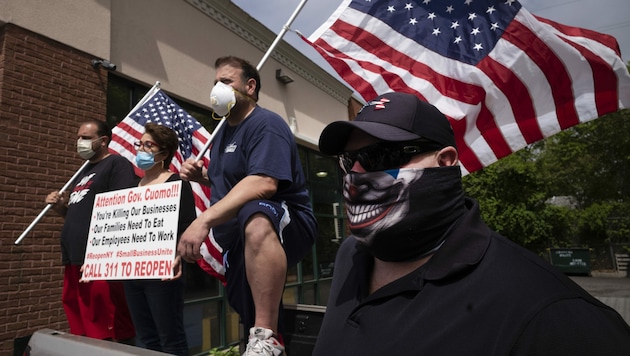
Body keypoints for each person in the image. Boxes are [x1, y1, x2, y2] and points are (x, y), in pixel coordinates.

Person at [313, 92, 630, 355]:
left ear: (446, 162)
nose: (355, 175)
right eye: (346, 161)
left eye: (379, 157)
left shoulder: (548, 313)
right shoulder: (351, 254)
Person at [177, 56, 317, 356]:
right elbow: (231, 184)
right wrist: (203, 177)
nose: (217, 88)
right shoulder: (222, 133)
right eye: (215, 83)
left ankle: (267, 336)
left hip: (283, 221)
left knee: (256, 213)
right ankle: (265, 341)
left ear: (250, 86)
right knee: (247, 309)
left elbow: (263, 183)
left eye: (225, 82)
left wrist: (203, 221)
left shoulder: (266, 123)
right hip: (237, 238)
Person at [45, 119, 137, 343]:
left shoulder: (117, 164)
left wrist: (101, 253)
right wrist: (60, 209)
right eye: (78, 137)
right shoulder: (83, 171)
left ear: (103, 141)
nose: (80, 142)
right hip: (73, 257)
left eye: (85, 138)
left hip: (97, 260)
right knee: (81, 325)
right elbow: (80, 213)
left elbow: (121, 209)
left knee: (106, 325)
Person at [123, 122, 195, 355]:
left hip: (163, 272)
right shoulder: (133, 187)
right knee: (147, 339)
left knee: (170, 340)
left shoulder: (177, 184)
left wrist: (178, 255)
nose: (140, 149)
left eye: (148, 145)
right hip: (133, 272)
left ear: (163, 153)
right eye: (139, 144)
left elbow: (187, 226)